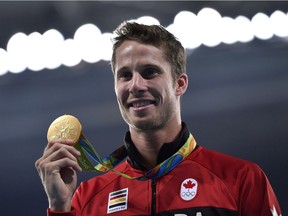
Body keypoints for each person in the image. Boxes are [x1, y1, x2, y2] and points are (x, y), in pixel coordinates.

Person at [35, 21, 282, 216]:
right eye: (125, 75)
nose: (136, 85)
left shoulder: (240, 179)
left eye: (149, 72)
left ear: (180, 84)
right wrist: (59, 206)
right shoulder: (88, 197)